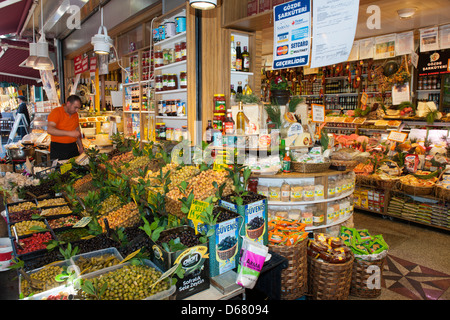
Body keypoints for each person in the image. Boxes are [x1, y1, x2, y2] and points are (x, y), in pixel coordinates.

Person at [47, 95, 84, 160]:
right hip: (58, 148)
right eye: (75, 107)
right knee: (59, 169)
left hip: (73, 147)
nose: (77, 110)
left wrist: (80, 147)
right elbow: (50, 130)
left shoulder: (75, 115)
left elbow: (77, 131)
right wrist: (69, 133)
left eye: (78, 108)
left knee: (75, 169)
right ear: (68, 104)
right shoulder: (56, 112)